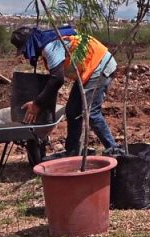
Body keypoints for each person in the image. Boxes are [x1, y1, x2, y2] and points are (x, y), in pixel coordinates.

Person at [11, 25, 120, 156]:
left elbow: (57, 79)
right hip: (88, 72)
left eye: (24, 50)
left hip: (100, 66)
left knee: (91, 112)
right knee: (73, 111)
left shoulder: (50, 47)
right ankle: (73, 151)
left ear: (30, 45)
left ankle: (115, 151)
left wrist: (37, 104)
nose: (25, 54)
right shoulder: (47, 42)